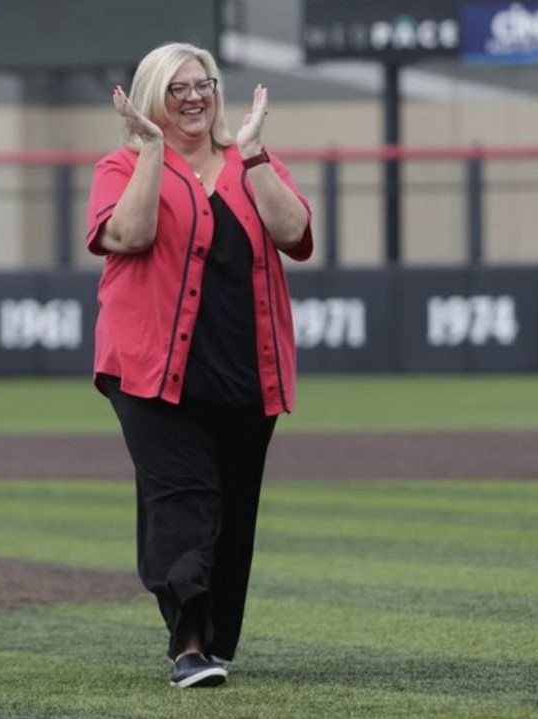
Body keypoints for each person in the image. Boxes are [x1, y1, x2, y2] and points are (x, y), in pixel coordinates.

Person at [83, 41, 313, 688]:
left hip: (244, 366)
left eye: (202, 84)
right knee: (184, 500)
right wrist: (152, 151)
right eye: (177, 86)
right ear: (152, 95)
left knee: (232, 513)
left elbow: (295, 233)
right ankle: (187, 644)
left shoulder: (248, 160)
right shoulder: (119, 164)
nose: (193, 96)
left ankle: (212, 637)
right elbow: (127, 234)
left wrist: (257, 154)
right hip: (151, 369)